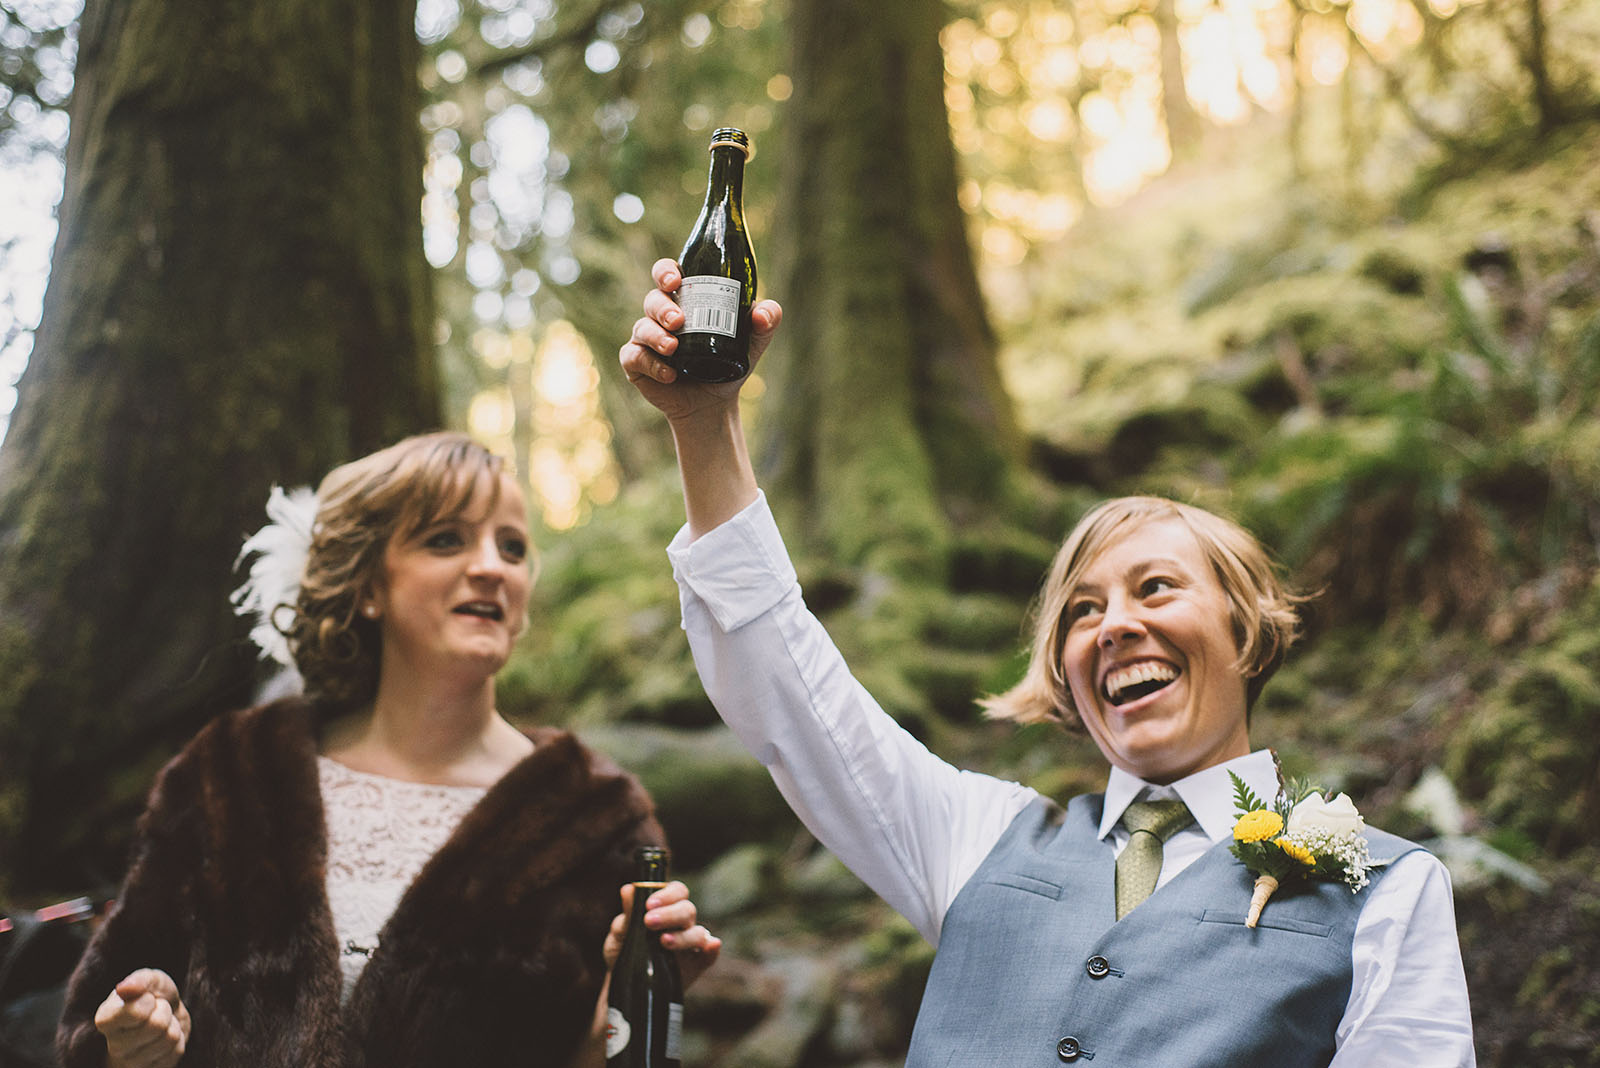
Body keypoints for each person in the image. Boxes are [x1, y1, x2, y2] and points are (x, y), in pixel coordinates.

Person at [620, 259, 1476, 1067]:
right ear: (1065, 671)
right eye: (1083, 610)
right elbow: (792, 693)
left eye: (1156, 588)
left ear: (1246, 630)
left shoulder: (1393, 893)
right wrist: (706, 424)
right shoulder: (977, 837)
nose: (1114, 626)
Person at [56, 432, 720, 1068]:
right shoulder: (232, 774)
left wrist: (622, 1002)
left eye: (512, 548)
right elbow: (100, 1019)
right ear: (368, 586)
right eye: (446, 539)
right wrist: (129, 1048)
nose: (491, 566)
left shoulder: (597, 820)